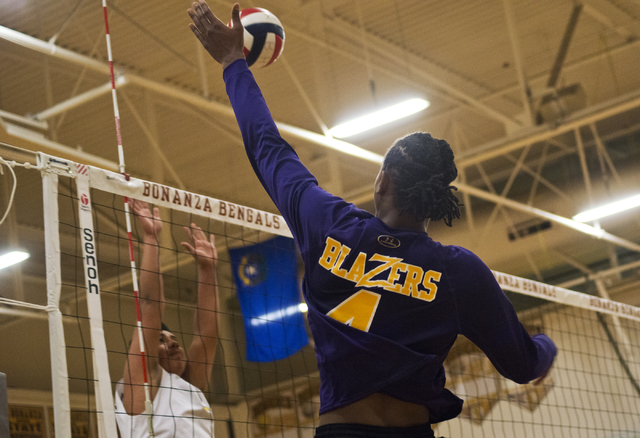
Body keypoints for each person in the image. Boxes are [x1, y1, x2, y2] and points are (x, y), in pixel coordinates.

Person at [187, 2, 557, 437]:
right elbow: (522, 366)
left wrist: (233, 63)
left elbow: (267, 146)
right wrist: (545, 347)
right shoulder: (458, 271)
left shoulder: (327, 223)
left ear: (382, 181)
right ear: (437, 201)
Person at [115, 199, 220, 438]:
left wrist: (208, 271)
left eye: (174, 338)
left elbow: (207, 334)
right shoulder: (144, 385)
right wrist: (152, 238)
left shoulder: (189, 387)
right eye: (162, 340)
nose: (173, 343)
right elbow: (150, 306)